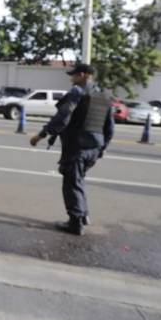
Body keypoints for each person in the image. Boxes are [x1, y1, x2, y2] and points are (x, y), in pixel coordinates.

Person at [29, 64, 114, 236]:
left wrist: (41, 135)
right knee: (78, 180)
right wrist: (102, 148)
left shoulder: (77, 92)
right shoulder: (105, 95)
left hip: (77, 146)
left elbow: (62, 117)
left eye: (73, 76)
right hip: (94, 147)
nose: (71, 79)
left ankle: (75, 222)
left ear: (82, 75)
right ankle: (84, 215)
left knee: (71, 184)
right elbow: (109, 127)